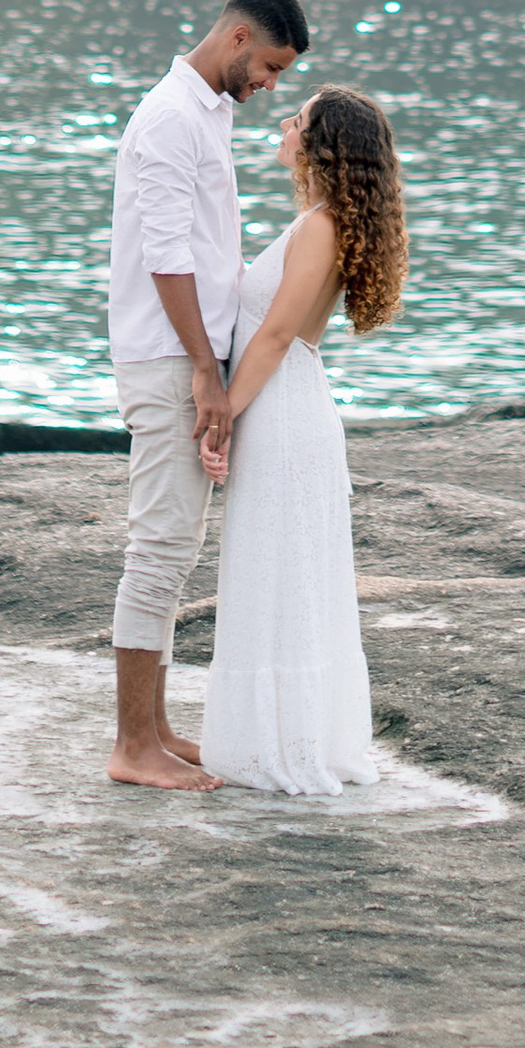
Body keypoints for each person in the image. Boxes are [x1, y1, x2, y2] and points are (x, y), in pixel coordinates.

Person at [106, 0, 309, 789]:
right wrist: (203, 368)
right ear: (236, 40)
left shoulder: (208, 113)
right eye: (268, 64)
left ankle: (154, 728)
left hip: (189, 350)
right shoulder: (169, 118)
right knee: (158, 545)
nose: (271, 84)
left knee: (176, 544)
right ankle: (131, 747)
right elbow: (166, 256)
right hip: (165, 355)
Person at [199, 83, 407, 796]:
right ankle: (274, 733)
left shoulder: (320, 225)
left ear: (322, 144)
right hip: (287, 405)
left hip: (283, 410)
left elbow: (277, 334)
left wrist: (222, 410)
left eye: (298, 118)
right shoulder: (319, 220)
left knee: (279, 574)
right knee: (278, 573)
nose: (284, 123)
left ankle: (280, 744)